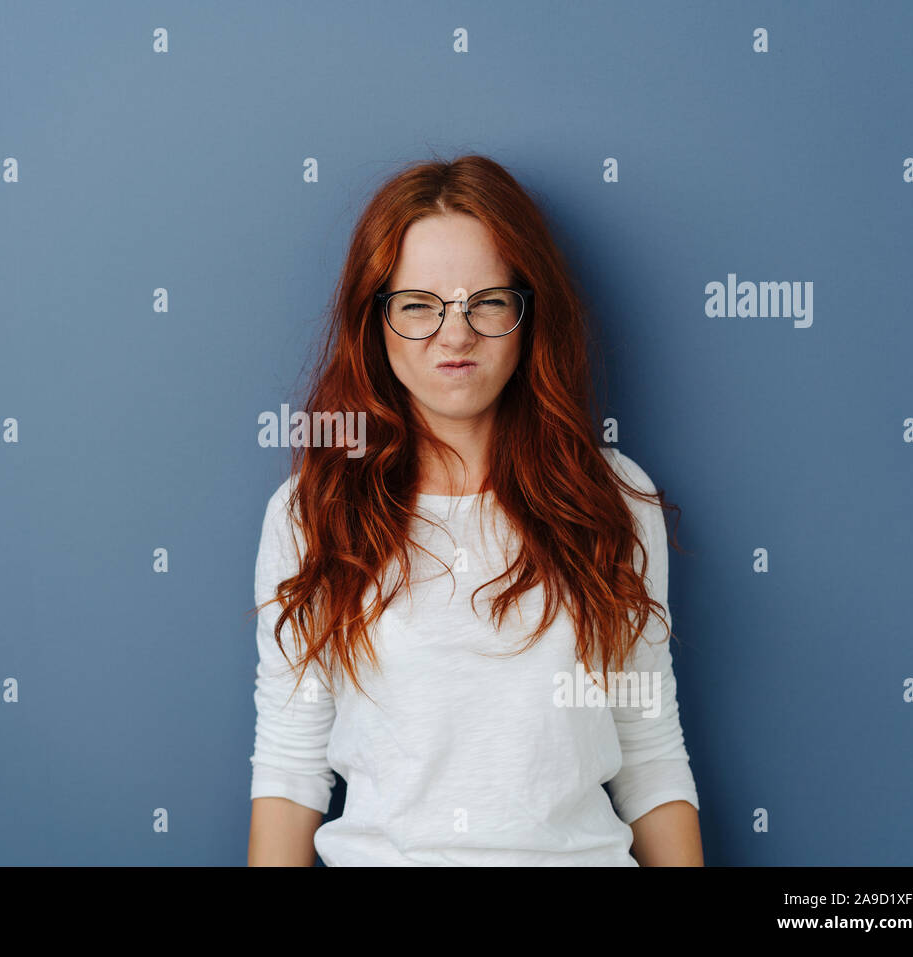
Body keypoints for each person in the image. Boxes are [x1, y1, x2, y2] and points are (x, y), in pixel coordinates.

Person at [246, 154, 703, 866]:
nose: (454, 335)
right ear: (377, 320)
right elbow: (288, 762)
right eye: (419, 304)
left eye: (486, 301)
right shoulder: (315, 511)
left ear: (527, 314)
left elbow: (650, 754)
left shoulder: (612, 498)